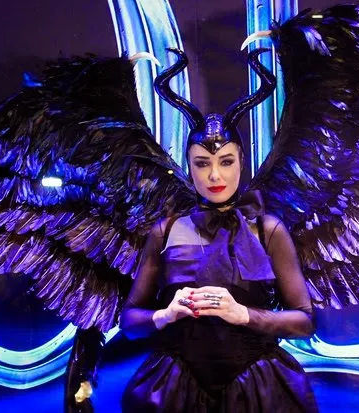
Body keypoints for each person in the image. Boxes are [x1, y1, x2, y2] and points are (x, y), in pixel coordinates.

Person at [119, 48, 320, 412]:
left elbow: (305, 321)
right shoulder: (165, 231)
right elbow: (130, 322)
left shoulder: (268, 230)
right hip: (175, 390)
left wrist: (244, 314)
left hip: (258, 391)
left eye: (226, 161)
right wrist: (165, 315)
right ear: (188, 166)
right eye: (202, 163)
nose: (215, 175)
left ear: (241, 161)